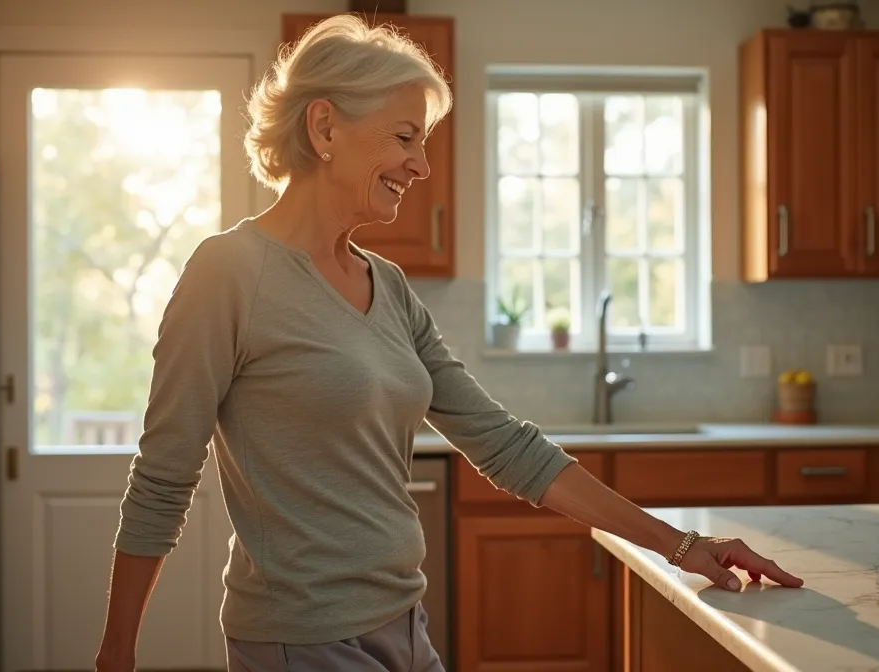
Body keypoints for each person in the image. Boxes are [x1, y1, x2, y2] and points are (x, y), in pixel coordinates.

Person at [93, 13, 803, 672]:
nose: (423, 166)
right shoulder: (230, 273)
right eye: (406, 138)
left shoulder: (390, 286)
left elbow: (505, 445)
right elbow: (163, 475)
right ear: (325, 127)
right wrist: (116, 654)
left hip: (403, 624)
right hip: (301, 638)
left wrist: (683, 546)